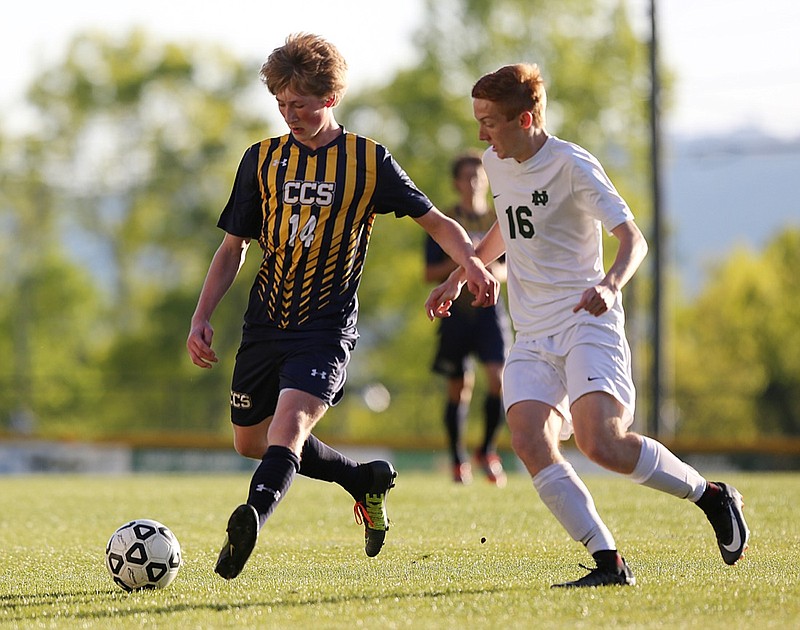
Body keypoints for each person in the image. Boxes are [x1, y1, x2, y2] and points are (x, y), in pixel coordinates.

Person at [186, 33, 499, 581]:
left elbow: (437, 222)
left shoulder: (367, 160)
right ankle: (361, 479)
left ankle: (252, 518)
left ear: (329, 98)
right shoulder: (260, 161)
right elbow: (234, 246)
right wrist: (201, 314)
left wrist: (470, 264)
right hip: (265, 322)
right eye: (281, 105)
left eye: (300, 105)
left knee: (287, 430)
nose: (290, 115)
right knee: (250, 441)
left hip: (325, 327)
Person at [425, 63, 750, 588]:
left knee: (603, 443)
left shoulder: (573, 165)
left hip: (585, 322)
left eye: (489, 121)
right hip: (532, 334)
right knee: (530, 440)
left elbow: (633, 239)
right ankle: (608, 562)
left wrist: (610, 284)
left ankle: (711, 496)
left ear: (525, 118)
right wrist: (465, 274)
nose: (481, 133)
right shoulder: (497, 162)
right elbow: (509, 231)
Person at [424, 151, 512, 486]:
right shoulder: (445, 221)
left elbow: (507, 268)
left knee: (498, 380)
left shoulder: (498, 217)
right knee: (459, 387)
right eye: (467, 177)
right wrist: (465, 261)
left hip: (489, 313)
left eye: (479, 176)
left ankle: (487, 451)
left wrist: (485, 263)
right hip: (456, 314)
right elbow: (429, 271)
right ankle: (458, 460)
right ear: (457, 182)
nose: (474, 182)